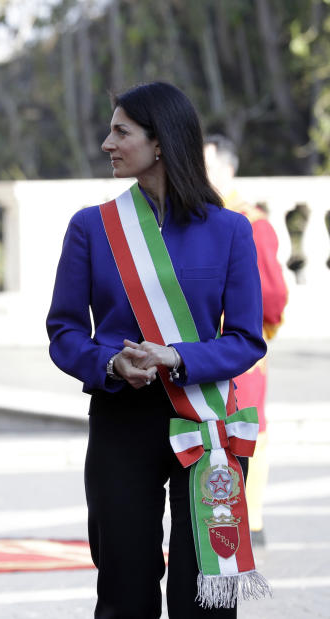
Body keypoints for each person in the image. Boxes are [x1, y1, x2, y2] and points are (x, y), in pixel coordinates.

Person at [47, 82, 268, 617]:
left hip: (206, 420)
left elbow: (246, 339)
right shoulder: (91, 228)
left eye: (121, 131)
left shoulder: (232, 231)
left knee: (207, 591)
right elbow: (64, 331)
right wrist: (110, 362)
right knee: (124, 582)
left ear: (161, 142)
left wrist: (179, 357)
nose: (107, 143)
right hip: (123, 421)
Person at [204, 134, 289, 548]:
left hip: (240, 349)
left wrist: (257, 333)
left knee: (247, 430)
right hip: (200, 350)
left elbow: (272, 297)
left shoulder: (250, 221)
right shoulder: (197, 215)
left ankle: (250, 520)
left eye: (207, 166)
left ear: (228, 169)